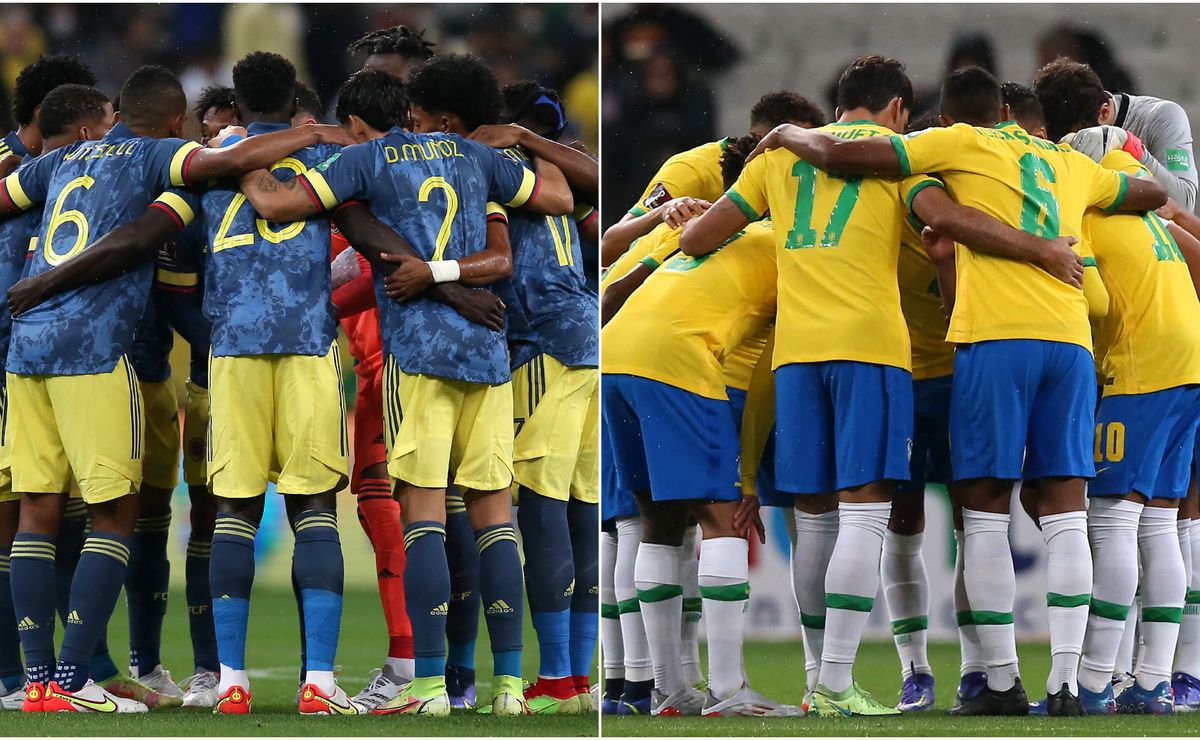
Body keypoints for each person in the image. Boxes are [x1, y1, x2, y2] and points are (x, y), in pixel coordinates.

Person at [744, 62, 1167, 715]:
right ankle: (1070, 683)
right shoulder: (1062, 161)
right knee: (1067, 513)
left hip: (982, 345)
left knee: (979, 511)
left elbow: (846, 152)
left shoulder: (956, 146)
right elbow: (1147, 195)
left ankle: (992, 679)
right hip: (1069, 343)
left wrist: (786, 138)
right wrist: (1095, 193)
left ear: (943, 118)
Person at [0, 62, 350, 714]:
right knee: (115, 514)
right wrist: (313, 136)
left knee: (36, 512)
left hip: (26, 349)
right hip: (90, 348)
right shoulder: (158, 155)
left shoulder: (59, 164)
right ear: (171, 124)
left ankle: (39, 682)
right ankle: (76, 680)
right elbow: (186, 199)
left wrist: (33, 273)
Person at [236, 64, 572, 716]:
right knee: (494, 517)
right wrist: (519, 138)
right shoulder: (480, 158)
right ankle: (508, 689)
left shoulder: (368, 159)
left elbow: (275, 203)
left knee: (422, 513)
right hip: (488, 353)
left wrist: (238, 162)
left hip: (417, 357)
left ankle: (426, 688)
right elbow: (558, 195)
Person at [1038, 57, 1200, 715]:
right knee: (1160, 523)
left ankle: (1098, 679)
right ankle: (1153, 681)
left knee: (1111, 519)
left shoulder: (1073, 180)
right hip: (1187, 353)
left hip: (1137, 365)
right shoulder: (1134, 174)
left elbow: (1098, 299)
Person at [0, 82, 109, 712]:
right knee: (48, 513)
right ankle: (36, 676)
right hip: (43, 351)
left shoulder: (38, 171)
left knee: (46, 512)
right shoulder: (42, 166)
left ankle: (49, 674)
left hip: (25, 352)